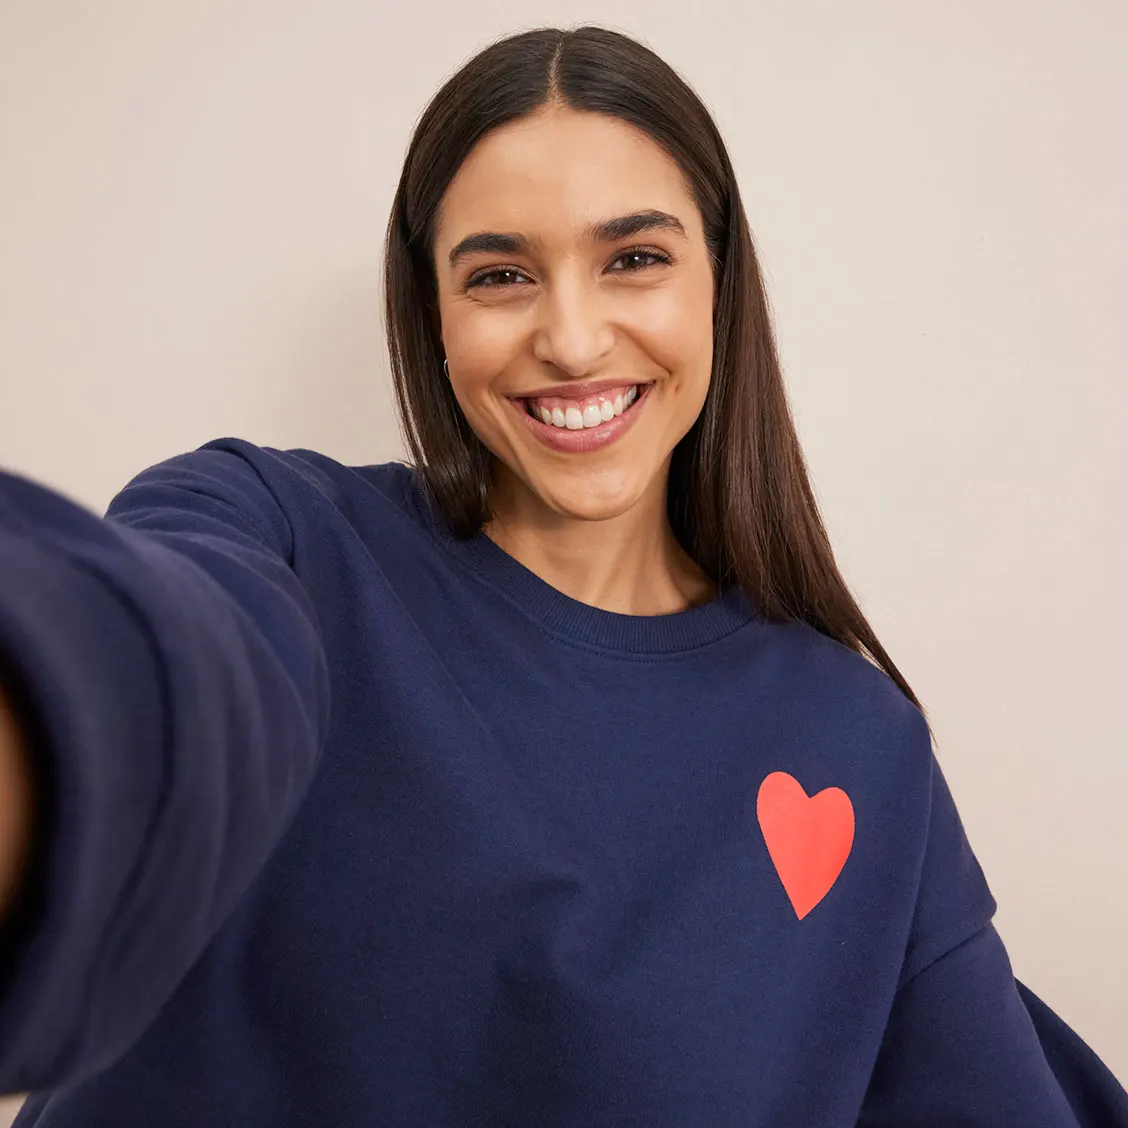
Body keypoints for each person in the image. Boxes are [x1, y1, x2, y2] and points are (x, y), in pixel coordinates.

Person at [0, 23, 1124, 1128]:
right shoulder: (278, 532)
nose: (574, 339)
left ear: (718, 285)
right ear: (433, 314)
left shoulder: (857, 745)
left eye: (633, 258)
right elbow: (163, 663)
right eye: (500, 275)